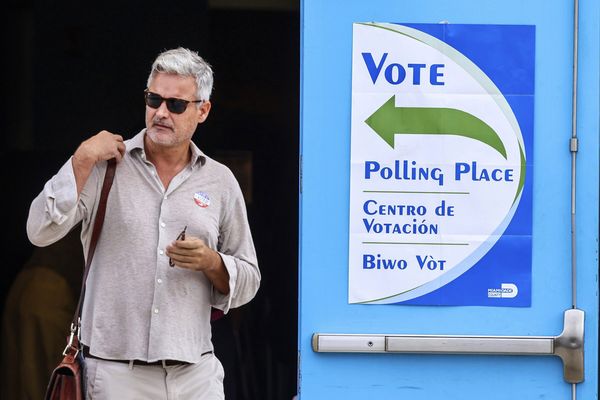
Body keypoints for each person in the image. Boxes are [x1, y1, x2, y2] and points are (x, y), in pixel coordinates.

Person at [26, 47, 261, 400]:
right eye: (154, 100)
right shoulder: (105, 167)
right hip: (116, 374)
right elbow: (40, 231)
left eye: (176, 104)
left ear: (203, 110)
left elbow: (249, 280)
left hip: (195, 375)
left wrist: (212, 263)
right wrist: (81, 159)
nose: (161, 113)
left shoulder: (220, 181)